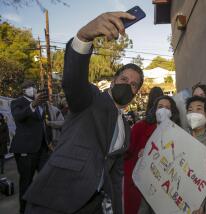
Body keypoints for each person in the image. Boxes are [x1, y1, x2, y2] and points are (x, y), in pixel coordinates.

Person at [24, 11, 142, 214]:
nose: (127, 85)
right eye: (124, 79)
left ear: (136, 93)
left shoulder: (127, 130)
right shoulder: (90, 98)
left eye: (134, 85)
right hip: (56, 198)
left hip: (94, 205)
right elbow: (73, 82)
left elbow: (116, 178)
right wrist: (83, 37)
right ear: (113, 81)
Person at [124, 95, 180, 214]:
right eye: (160, 107)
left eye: (167, 107)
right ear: (154, 110)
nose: (163, 110)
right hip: (140, 188)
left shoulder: (177, 132)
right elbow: (127, 154)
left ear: (172, 112)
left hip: (164, 190)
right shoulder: (140, 127)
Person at [10, 80, 50, 213]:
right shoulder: (17, 102)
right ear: (23, 90)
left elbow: (42, 125)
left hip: (42, 149)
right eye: (29, 87)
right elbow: (18, 116)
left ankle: (43, 205)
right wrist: (33, 104)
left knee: (47, 178)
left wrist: (49, 142)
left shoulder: (41, 104)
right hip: (25, 150)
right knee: (26, 182)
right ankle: (24, 210)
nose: (33, 89)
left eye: (34, 86)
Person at [185, 96, 206, 214]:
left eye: (199, 109)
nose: (193, 113)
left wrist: (201, 204)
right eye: (190, 110)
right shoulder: (180, 137)